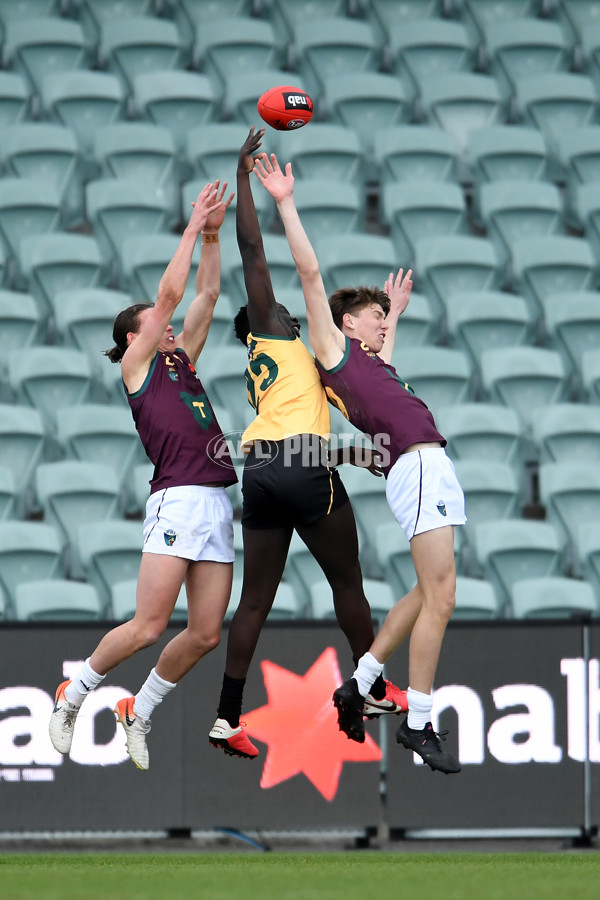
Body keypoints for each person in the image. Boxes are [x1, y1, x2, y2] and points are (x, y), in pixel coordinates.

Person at [254, 150, 466, 774]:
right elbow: (311, 275)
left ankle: (363, 679)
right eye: (373, 319)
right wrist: (286, 202)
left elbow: (383, 365)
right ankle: (420, 722)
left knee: (429, 592)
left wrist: (394, 314)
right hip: (418, 465)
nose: (381, 327)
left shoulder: (370, 365)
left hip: (421, 466)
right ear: (348, 324)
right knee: (443, 596)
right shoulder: (336, 348)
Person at [208, 127, 406, 760]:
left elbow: (358, 393)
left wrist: (388, 321)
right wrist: (243, 178)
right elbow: (252, 251)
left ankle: (225, 715)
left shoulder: (277, 369)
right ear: (261, 323)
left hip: (261, 469)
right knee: (346, 583)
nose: (290, 313)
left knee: (255, 603)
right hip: (297, 463)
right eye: (282, 312)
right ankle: (369, 684)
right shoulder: (273, 330)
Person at [49, 180, 237, 771]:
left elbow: (206, 291)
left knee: (206, 632)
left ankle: (140, 709)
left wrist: (212, 233)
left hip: (214, 503)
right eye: (158, 325)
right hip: (177, 499)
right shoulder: (138, 366)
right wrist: (189, 226)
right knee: (149, 625)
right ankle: (74, 693)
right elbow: (173, 293)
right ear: (136, 338)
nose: (171, 328)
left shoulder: (180, 361)